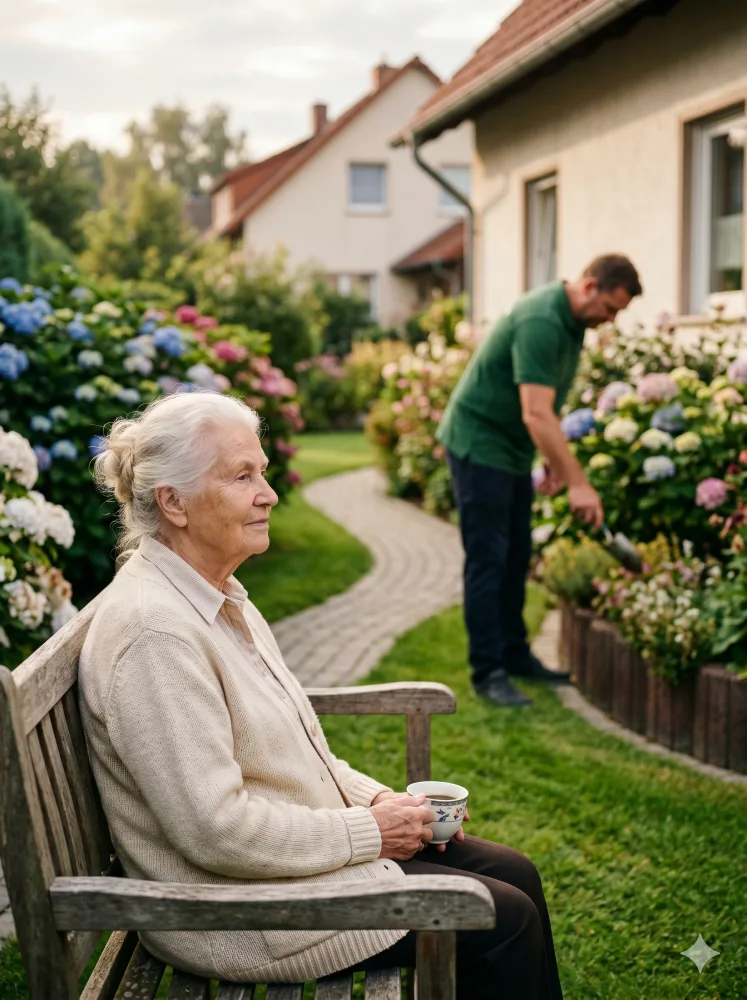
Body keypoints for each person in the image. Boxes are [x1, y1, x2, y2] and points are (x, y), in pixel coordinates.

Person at [79, 391, 563, 999]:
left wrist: (383, 802)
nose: (269, 493)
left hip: (292, 866)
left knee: (514, 872)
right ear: (173, 502)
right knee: (502, 918)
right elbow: (215, 831)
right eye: (242, 476)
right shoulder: (155, 633)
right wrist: (370, 832)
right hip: (237, 910)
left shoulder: (217, 595)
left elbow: (298, 753)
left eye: (263, 472)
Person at [437, 255, 643, 707]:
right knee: (489, 558)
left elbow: (542, 406)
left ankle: (514, 655)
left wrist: (552, 458)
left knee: (516, 555)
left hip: (512, 447)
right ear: (590, 285)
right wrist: (577, 482)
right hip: (479, 442)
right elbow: (535, 411)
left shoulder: (573, 324)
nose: (611, 320)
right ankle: (488, 671)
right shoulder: (542, 319)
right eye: (611, 308)